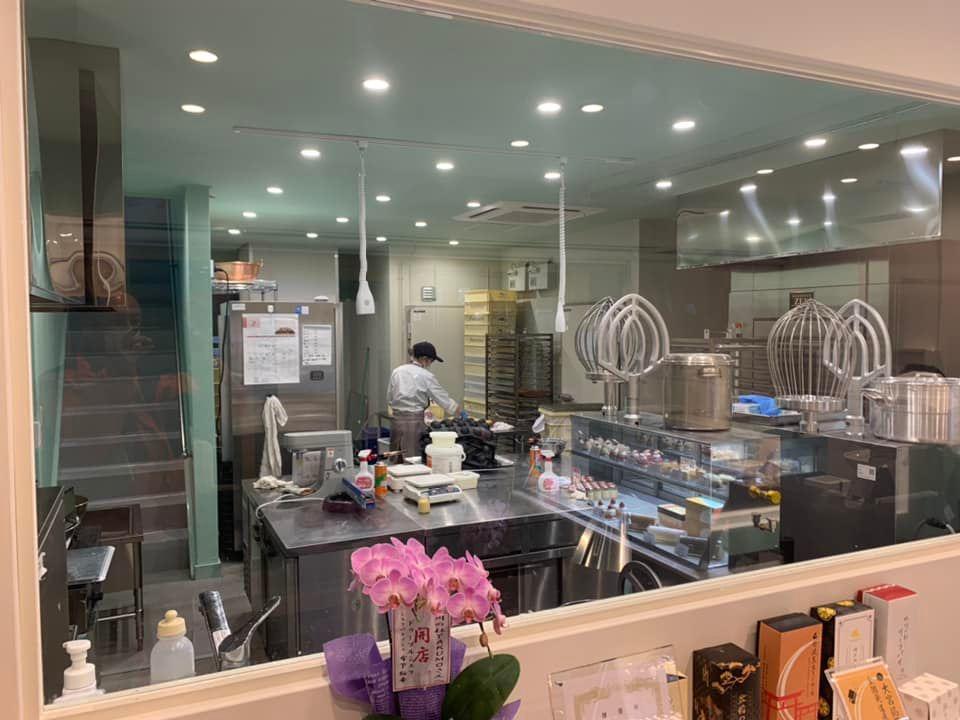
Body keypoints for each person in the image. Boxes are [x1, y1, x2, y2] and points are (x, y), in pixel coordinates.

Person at [387, 341, 464, 459]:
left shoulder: (397, 371)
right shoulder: (426, 376)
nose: (430, 364)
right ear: (424, 359)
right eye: (431, 361)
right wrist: (461, 413)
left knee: (396, 458)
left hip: (396, 422)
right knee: (412, 459)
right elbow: (443, 399)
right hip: (414, 423)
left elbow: (389, 398)